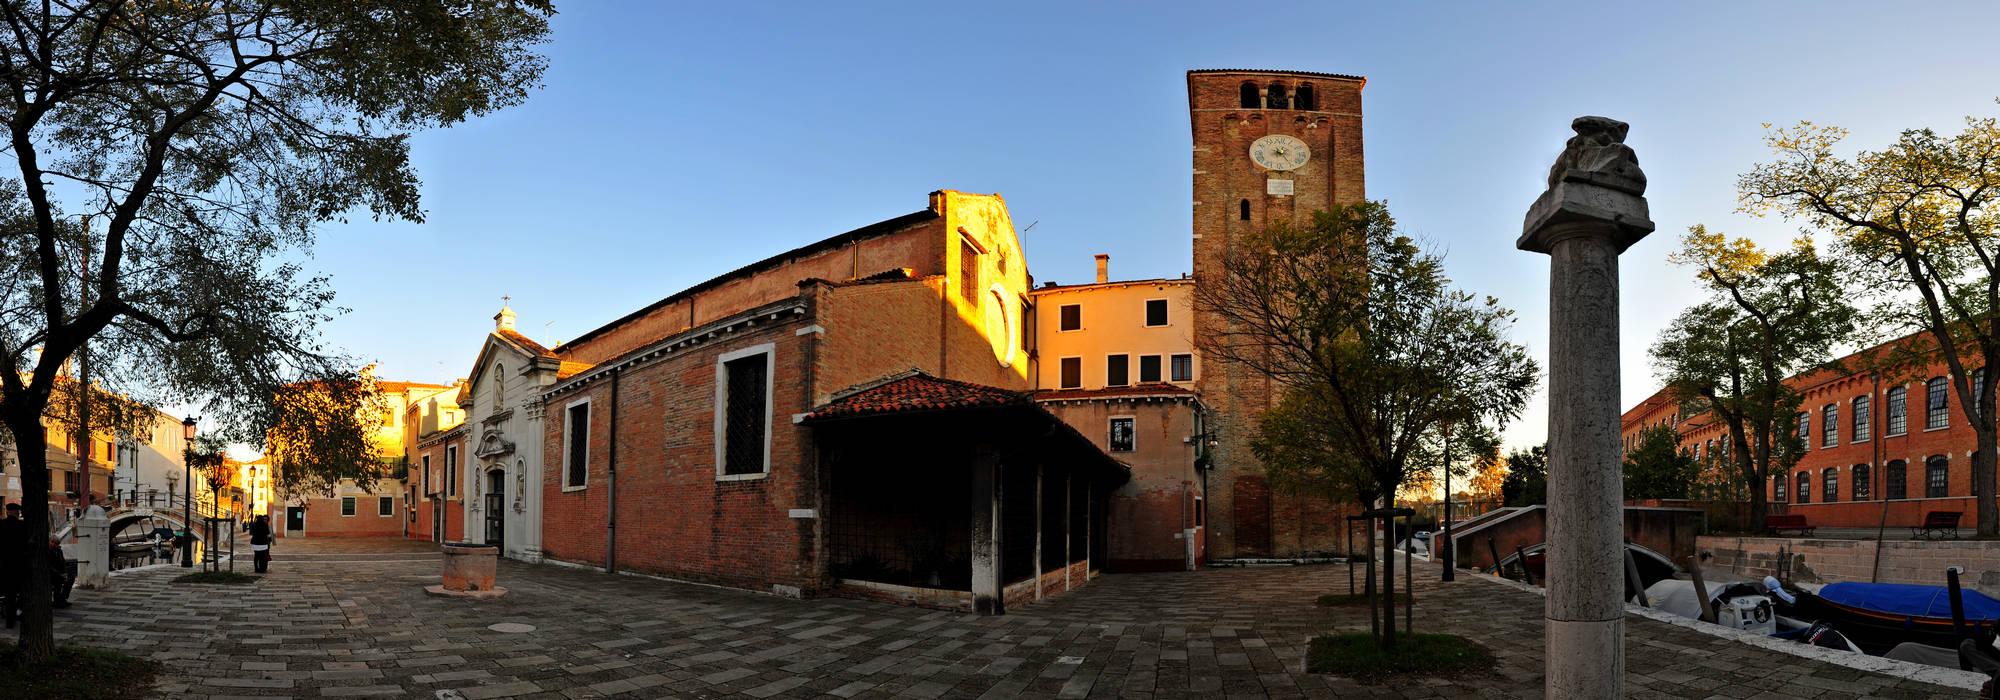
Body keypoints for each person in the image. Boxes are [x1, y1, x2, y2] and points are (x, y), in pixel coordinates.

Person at [0, 503, 24, 627]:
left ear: (7, 512)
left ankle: (10, 621)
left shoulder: (1, 526)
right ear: (15, 512)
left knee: (9, 595)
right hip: (18, 567)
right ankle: (18, 613)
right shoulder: (21, 526)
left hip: (3, 567)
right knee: (21, 592)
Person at [46, 537, 71, 609]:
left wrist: (65, 572)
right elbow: (49, 566)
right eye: (52, 542)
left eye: (56, 543)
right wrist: (60, 574)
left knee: (71, 578)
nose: (53, 544)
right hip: (51, 574)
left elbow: (63, 562)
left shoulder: (59, 551)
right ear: (49, 541)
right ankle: (57, 601)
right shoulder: (47, 551)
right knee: (58, 580)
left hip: (59, 573)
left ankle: (63, 599)